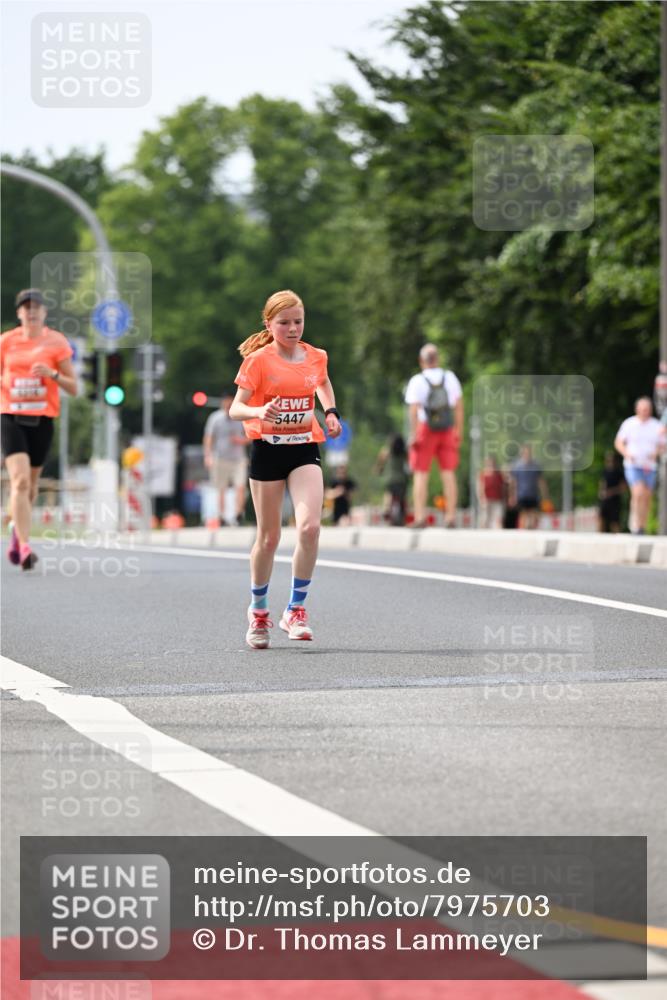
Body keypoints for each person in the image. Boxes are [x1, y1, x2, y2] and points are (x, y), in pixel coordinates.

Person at [229, 289, 341, 649]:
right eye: (284, 323)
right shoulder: (259, 361)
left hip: (304, 448)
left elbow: (321, 381)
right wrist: (259, 412)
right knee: (269, 537)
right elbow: (235, 409)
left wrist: (331, 412)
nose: (293, 329)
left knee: (309, 528)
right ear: (269, 324)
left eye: (298, 321)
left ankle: (295, 609)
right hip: (268, 450)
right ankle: (259, 610)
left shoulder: (315, 356)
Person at [1, 289, 77, 569]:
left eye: (36, 308)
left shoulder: (56, 342)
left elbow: (74, 386)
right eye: (25, 308)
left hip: (42, 419)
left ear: (44, 313)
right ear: (19, 313)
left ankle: (15, 533)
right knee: (19, 481)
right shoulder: (6, 342)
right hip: (10, 416)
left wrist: (52, 374)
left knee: (31, 488)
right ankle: (24, 546)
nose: (31, 312)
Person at [404, 344, 463, 528]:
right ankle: (450, 517)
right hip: (446, 429)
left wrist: (413, 434)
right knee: (448, 473)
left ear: (422, 361)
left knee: (421, 474)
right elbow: (459, 406)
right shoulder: (450, 378)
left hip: (425, 429)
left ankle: (421, 517)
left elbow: (413, 410)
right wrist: (458, 430)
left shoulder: (418, 380)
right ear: (438, 359)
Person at [614, 397, 665, 534]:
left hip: (649, 466)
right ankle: (635, 525)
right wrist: (627, 454)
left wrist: (656, 453)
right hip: (633, 465)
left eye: (647, 409)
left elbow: (663, 445)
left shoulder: (656, 425)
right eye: (643, 409)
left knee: (647, 496)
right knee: (638, 493)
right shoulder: (629, 424)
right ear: (637, 409)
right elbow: (618, 442)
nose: (645, 412)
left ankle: (642, 526)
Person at [203, 392, 248, 525]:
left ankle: (238, 513)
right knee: (221, 488)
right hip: (220, 458)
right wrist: (208, 456)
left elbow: (251, 435)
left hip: (238, 458)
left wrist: (241, 441)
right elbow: (209, 438)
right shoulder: (215, 418)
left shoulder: (240, 417)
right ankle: (221, 515)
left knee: (240, 486)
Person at [508, 445, 549, 530]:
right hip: (521, 494)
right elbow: (513, 482)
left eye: (529, 452)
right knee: (524, 514)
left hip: (533, 494)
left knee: (533, 514)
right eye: (525, 452)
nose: (527, 454)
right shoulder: (517, 466)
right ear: (522, 453)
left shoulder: (536, 466)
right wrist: (512, 495)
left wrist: (545, 494)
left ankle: (530, 529)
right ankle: (525, 530)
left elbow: (540, 481)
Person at [374, 433, 409, 526]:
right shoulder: (405, 452)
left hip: (390, 479)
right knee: (402, 499)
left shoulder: (386, 451)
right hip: (402, 480)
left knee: (388, 492)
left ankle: (386, 508)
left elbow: (380, 465)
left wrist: (379, 471)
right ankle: (403, 514)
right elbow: (410, 464)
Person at [598, 451, 626, 533]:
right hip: (605, 500)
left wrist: (611, 492)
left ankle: (618, 540)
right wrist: (601, 492)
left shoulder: (619, 472)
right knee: (601, 519)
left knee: (615, 522)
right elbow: (602, 483)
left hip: (615, 501)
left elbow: (623, 488)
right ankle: (599, 538)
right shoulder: (605, 471)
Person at [477, 455, 505, 529]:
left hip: (497, 499)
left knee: (498, 517)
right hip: (486, 499)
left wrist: (504, 497)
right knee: (485, 517)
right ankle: (483, 531)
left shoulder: (498, 474)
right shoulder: (483, 473)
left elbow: (502, 487)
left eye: (492, 463)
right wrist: (481, 498)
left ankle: (498, 532)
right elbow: (480, 487)